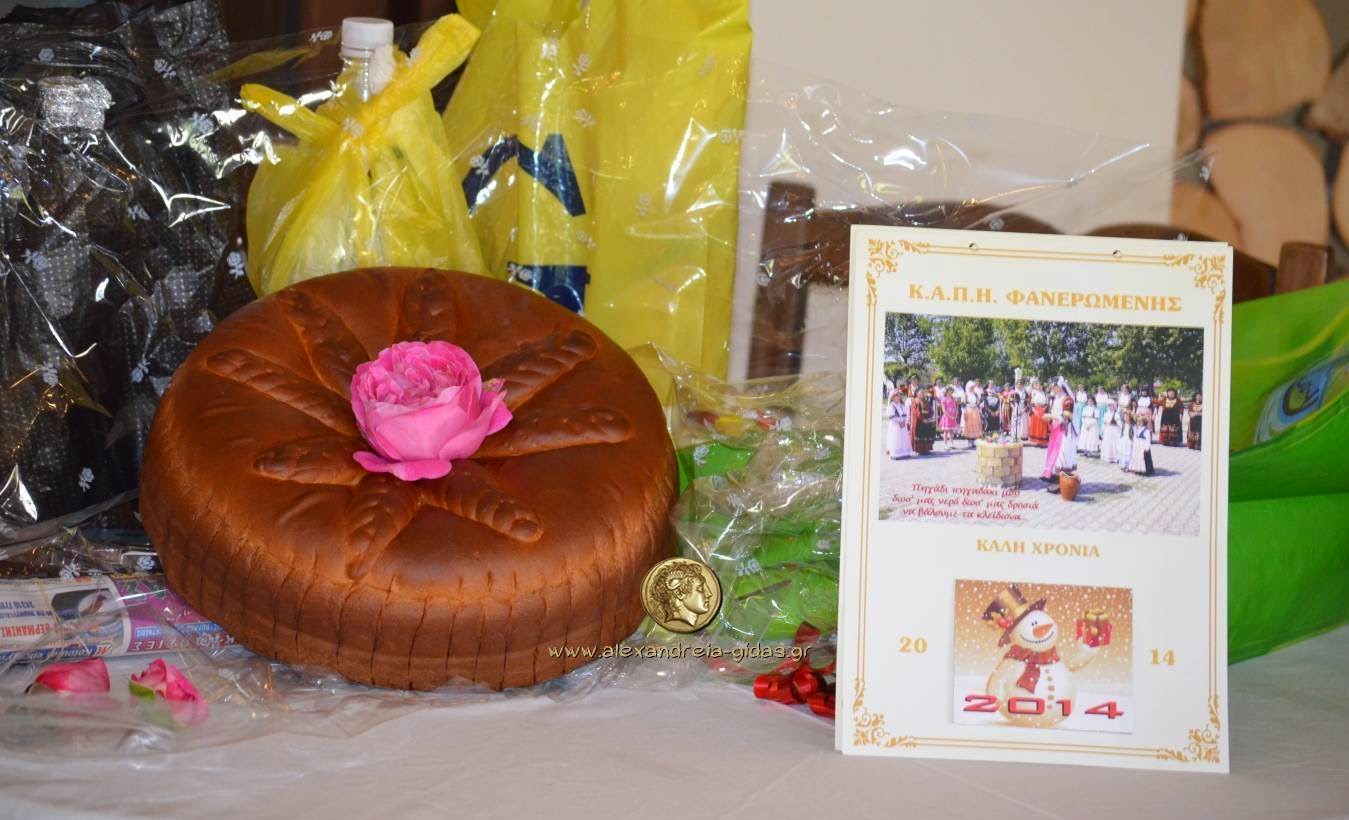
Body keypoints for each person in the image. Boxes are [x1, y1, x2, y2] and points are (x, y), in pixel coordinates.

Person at [1040, 382, 1078, 487]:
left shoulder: (1067, 399)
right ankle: (1052, 474)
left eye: (1055, 387)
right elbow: (1052, 411)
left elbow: (1068, 415)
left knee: (1062, 452)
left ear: (1061, 387)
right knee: (1053, 450)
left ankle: (1061, 479)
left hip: (1064, 429)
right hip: (1055, 428)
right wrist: (1048, 418)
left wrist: (1051, 416)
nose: (1054, 389)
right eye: (1053, 387)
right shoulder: (1055, 399)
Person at [885, 389, 914, 459]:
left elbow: (905, 414)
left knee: (904, 438)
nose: (898, 397)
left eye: (899, 396)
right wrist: (899, 421)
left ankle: (905, 453)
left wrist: (904, 421)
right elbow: (891, 416)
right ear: (892, 397)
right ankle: (895, 454)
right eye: (896, 396)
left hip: (903, 425)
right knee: (896, 438)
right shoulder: (891, 406)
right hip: (895, 425)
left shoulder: (902, 405)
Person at [913, 385, 938, 455]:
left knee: (927, 434)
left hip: (927, 420)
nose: (923, 394)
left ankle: (927, 449)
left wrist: (930, 417)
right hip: (919, 421)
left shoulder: (926, 401)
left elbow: (931, 410)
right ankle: (920, 450)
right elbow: (916, 412)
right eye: (921, 392)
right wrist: (923, 419)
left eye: (924, 392)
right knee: (920, 435)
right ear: (917, 393)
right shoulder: (915, 401)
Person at [1129, 410, 1154, 475]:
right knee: (1136, 457)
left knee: (1143, 458)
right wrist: (1133, 443)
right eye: (1138, 421)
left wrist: (1147, 447)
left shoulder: (1146, 430)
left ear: (1144, 422)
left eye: (1140, 422)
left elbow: (1148, 440)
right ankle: (1137, 468)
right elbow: (1134, 437)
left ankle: (1145, 469)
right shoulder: (1137, 428)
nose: (1139, 423)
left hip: (1143, 446)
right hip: (1137, 446)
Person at [1028, 380, 1050, 447]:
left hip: (1043, 410)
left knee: (1042, 426)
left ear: (1042, 386)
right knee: (1036, 426)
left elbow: (1047, 404)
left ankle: (1042, 442)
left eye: (1040, 386)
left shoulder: (1045, 394)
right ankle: (1037, 442)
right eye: (1038, 386)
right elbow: (1031, 403)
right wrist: (1034, 410)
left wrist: (1043, 409)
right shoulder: (1034, 393)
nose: (1039, 387)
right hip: (1036, 410)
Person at [962, 380, 984, 446]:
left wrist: (978, 406)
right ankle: (969, 441)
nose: (972, 388)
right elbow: (963, 404)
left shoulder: (975, 394)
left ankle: (974, 440)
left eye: (973, 387)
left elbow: (978, 402)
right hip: (969, 410)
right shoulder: (966, 394)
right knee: (969, 426)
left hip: (975, 410)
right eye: (971, 387)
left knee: (975, 426)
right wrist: (964, 411)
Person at [1100, 397, 1122, 463]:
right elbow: (1104, 423)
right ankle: (1107, 456)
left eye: (1111, 405)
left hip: (1114, 430)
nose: (1110, 407)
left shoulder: (1116, 414)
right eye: (1109, 405)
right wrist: (1102, 430)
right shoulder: (1106, 414)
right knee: (1107, 443)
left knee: (1114, 444)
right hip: (1107, 430)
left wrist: (1121, 428)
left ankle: (1115, 457)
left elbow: (1119, 423)